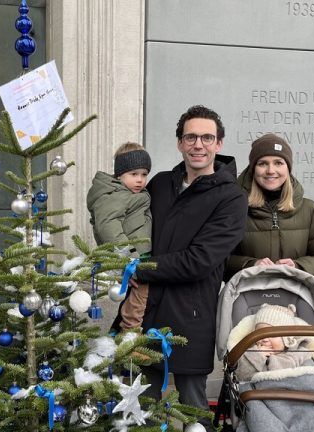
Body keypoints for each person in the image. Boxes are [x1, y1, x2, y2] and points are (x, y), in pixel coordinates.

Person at [126, 105, 248, 421]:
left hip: (190, 318)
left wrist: (139, 268)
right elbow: (130, 223)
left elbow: (199, 261)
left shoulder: (231, 198)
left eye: (207, 137)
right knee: (141, 407)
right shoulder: (160, 184)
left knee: (193, 409)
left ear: (219, 144)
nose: (198, 145)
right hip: (146, 313)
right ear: (180, 142)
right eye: (190, 137)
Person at [224, 133, 314, 282]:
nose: (271, 170)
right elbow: (218, 260)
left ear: (288, 168)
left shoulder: (309, 209)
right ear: (253, 169)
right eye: (263, 163)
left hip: (296, 298)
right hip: (248, 299)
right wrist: (251, 265)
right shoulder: (234, 208)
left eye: (278, 163)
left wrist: (298, 267)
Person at [87, 142, 152, 329]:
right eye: (134, 174)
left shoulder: (129, 192)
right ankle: (129, 331)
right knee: (142, 292)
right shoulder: (115, 195)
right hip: (130, 255)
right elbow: (107, 226)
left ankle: (126, 331)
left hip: (139, 254)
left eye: (144, 174)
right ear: (119, 174)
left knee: (140, 295)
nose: (140, 180)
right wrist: (128, 255)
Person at [236, 304, 314, 392]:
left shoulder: (300, 353)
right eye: (259, 333)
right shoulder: (251, 353)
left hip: (301, 401)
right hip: (265, 402)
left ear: (287, 339)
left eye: (271, 335)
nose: (264, 339)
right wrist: (257, 355)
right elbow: (241, 376)